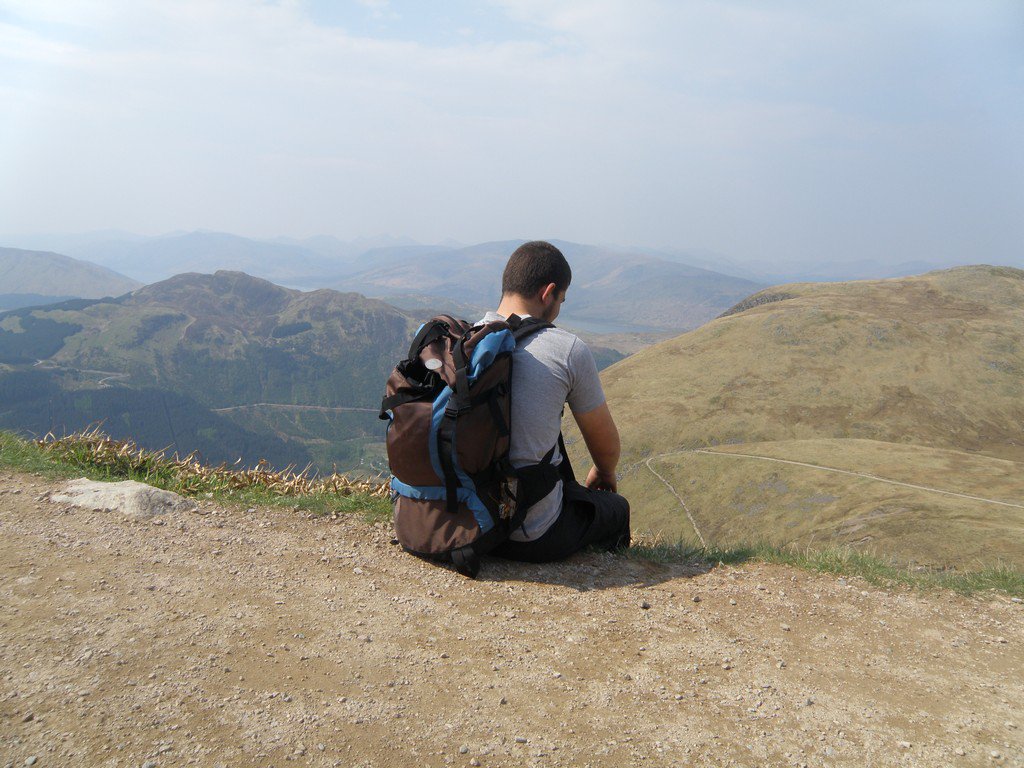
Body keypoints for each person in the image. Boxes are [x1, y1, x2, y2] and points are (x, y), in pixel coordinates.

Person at [478, 240, 631, 563]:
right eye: (561, 299)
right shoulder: (567, 349)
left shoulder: (467, 342)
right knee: (616, 509)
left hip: (465, 523)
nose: (558, 307)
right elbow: (606, 450)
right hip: (528, 535)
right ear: (548, 293)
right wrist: (604, 472)